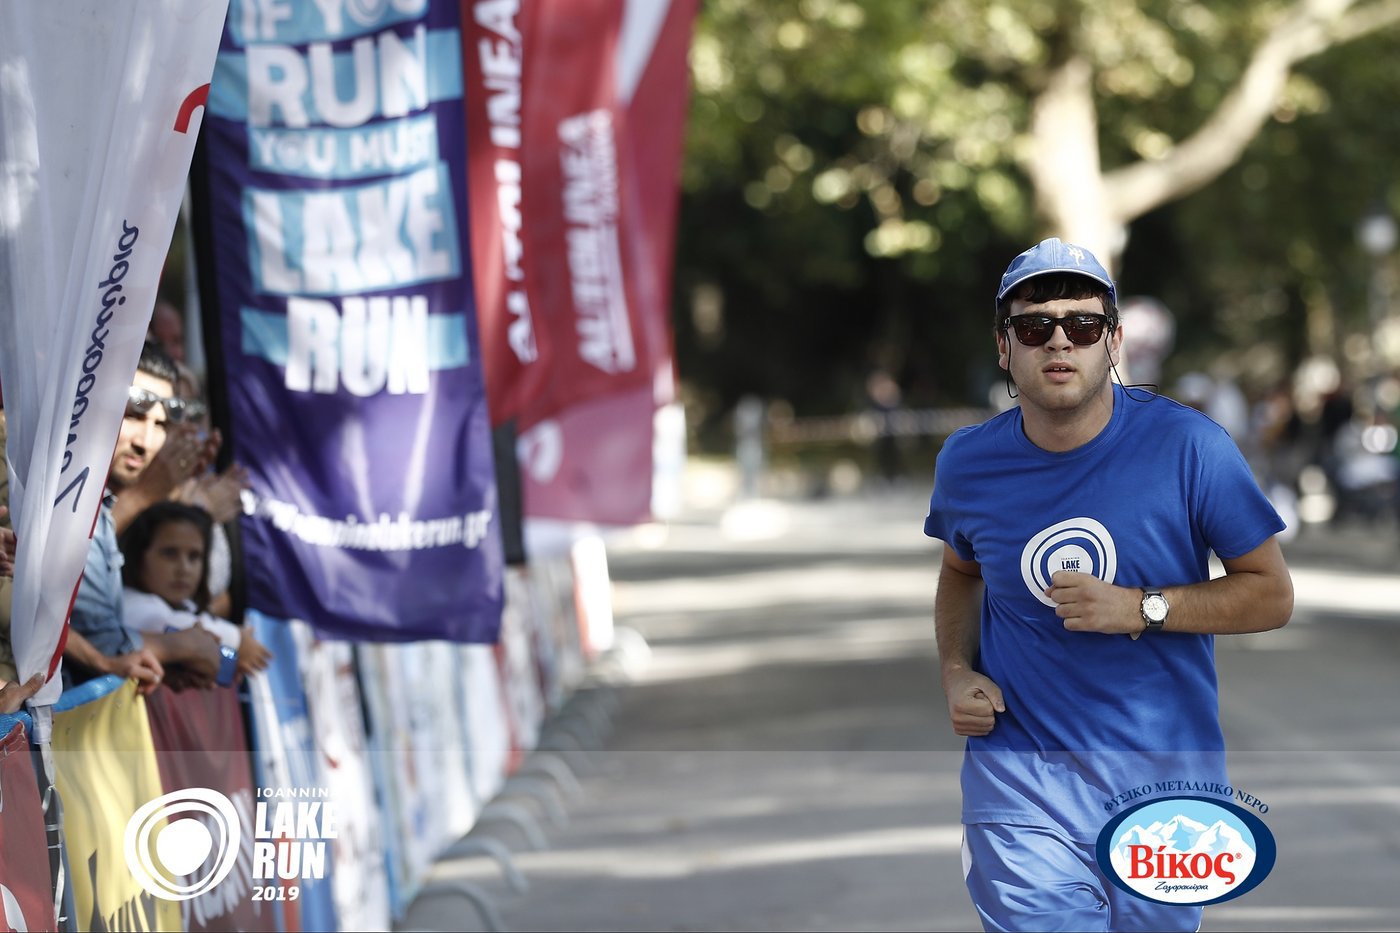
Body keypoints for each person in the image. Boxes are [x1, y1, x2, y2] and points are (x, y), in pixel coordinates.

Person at [924, 238, 1294, 933]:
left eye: (1083, 324)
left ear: (1114, 341)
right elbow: (959, 572)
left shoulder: (1190, 447)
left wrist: (1140, 607)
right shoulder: (969, 464)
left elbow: (1271, 593)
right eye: (1035, 327)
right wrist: (954, 670)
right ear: (1004, 347)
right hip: (1021, 778)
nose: (1059, 341)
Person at [64, 341, 225, 692]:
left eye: (161, 424)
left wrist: (166, 660)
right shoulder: (63, 492)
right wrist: (182, 646)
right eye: (134, 415)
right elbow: (101, 642)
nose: (146, 441)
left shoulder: (100, 505)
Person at [120, 501, 271, 685]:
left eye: (194, 556)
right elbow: (169, 626)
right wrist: (237, 640)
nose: (184, 569)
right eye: (169, 553)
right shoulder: (129, 603)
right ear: (138, 555)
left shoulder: (187, 606)